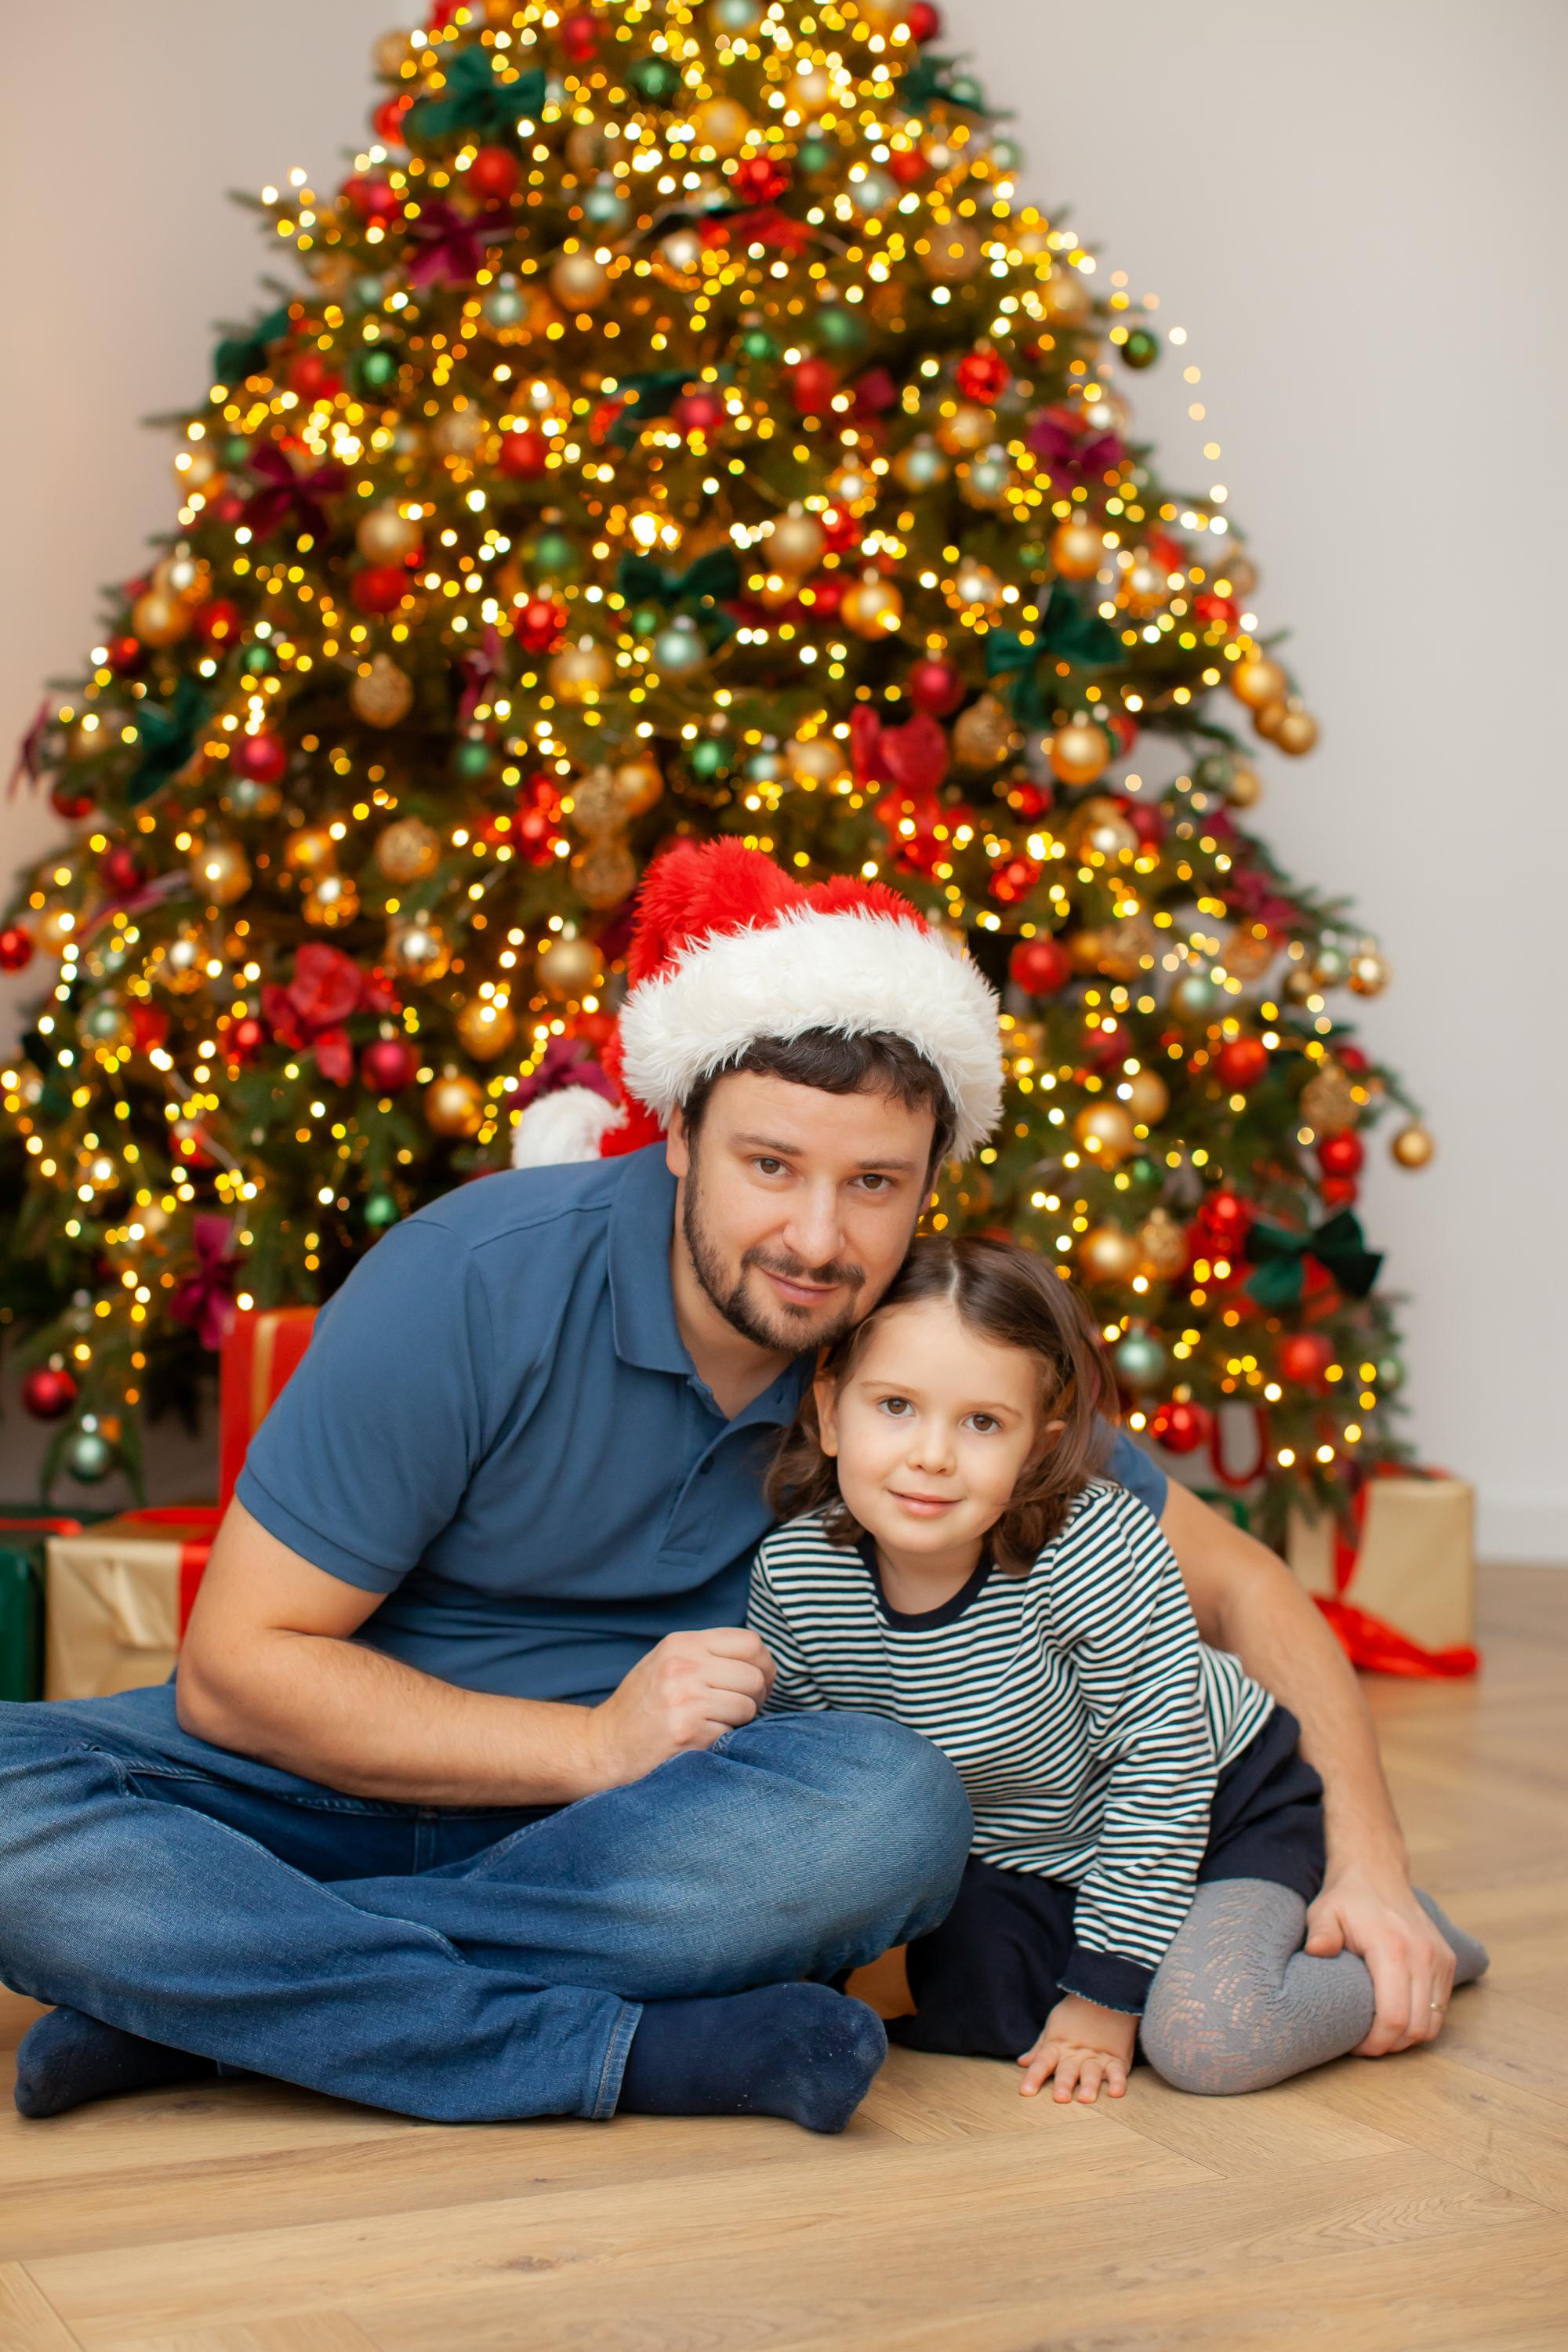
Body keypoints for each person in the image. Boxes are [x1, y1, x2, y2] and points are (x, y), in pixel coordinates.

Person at [0, 843, 1458, 2132]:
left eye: (874, 1185)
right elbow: (237, 1677)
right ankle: (631, 2052)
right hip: (332, 1780)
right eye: (771, 1162)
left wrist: (1371, 1867)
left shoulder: (915, 1363)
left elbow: (1247, 1585)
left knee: (892, 1805)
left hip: (671, 1844)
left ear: (930, 1181)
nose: (816, 1238)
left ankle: (202, 2000)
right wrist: (588, 1747)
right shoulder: (475, 1279)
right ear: (681, 1128)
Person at [751, 1232, 1487, 2101]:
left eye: (981, 1422)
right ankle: (1163, 1950)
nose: (932, 1455)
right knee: (968, 2010)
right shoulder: (794, 1575)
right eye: (895, 1407)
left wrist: (1103, 1996)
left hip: (1215, 1809)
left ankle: (1398, 1950)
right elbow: (804, 1776)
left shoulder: (1091, 1545)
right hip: (1031, 1849)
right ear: (830, 1411)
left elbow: (1162, 1771)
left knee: (1206, 2038)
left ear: (1037, 1444)